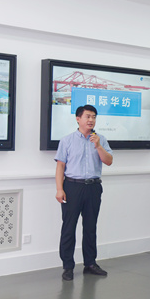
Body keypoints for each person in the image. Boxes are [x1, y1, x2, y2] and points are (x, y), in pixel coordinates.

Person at [55, 105, 113, 281]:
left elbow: (109, 161)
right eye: (88, 116)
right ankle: (68, 266)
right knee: (69, 227)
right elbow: (60, 166)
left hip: (93, 187)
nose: (91, 120)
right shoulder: (67, 140)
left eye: (94, 117)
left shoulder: (101, 139)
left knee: (90, 227)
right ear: (78, 118)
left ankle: (90, 263)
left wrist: (98, 146)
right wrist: (59, 189)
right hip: (72, 187)